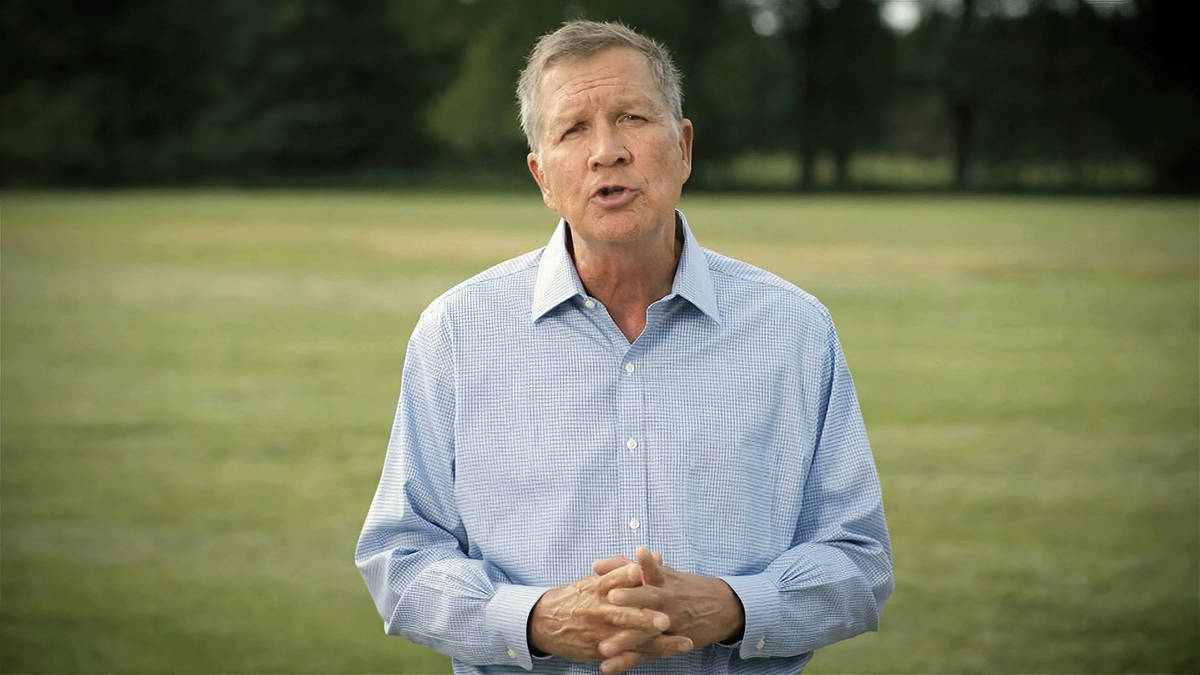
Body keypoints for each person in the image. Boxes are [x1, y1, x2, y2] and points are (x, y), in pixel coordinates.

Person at [356, 20, 892, 674]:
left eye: (632, 117)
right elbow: (402, 556)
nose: (606, 151)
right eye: (572, 129)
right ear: (541, 175)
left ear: (684, 147)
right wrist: (533, 620)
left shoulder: (793, 329)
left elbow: (858, 561)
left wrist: (733, 606)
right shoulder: (456, 332)